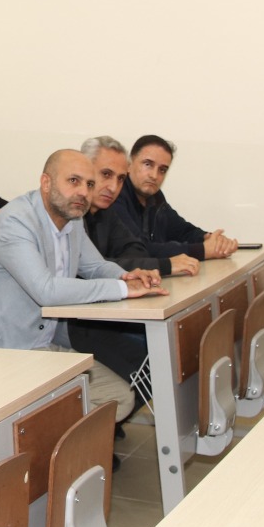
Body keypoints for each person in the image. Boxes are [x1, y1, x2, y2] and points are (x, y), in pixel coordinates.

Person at [0, 148, 164, 422]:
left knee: (118, 398)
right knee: (86, 403)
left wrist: (127, 277)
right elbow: (47, 291)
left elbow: (95, 266)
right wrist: (123, 290)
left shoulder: (73, 219)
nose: (83, 192)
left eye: (89, 184)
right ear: (46, 182)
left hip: (42, 346)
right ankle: (37, 437)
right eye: (73, 181)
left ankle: (48, 438)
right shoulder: (16, 221)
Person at [67, 136, 197, 404]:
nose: (113, 187)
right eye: (105, 175)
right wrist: (159, 266)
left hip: (103, 313)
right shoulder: (70, 215)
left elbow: (135, 251)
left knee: (162, 352)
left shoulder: (107, 211)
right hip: (75, 323)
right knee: (149, 361)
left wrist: (139, 269)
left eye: (120, 179)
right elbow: (91, 267)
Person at [109, 135, 238, 261]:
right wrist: (202, 250)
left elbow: (181, 230)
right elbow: (138, 249)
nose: (154, 175)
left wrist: (210, 239)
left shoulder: (155, 196)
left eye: (162, 170)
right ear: (129, 165)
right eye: (148, 164)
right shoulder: (115, 196)